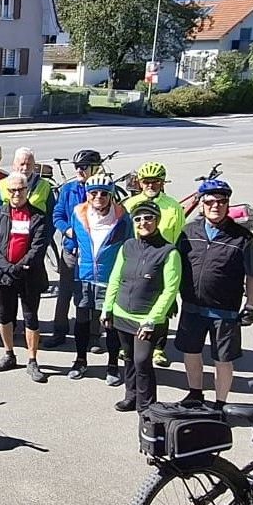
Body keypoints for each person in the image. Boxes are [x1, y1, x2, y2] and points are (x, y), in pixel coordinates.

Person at [175, 180, 253, 408]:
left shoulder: (242, 237)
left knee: (222, 360)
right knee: (191, 352)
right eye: (210, 202)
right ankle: (195, 393)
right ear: (202, 204)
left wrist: (251, 306)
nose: (216, 206)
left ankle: (220, 404)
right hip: (192, 306)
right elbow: (175, 267)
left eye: (222, 202)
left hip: (225, 311)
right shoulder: (188, 232)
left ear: (228, 204)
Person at [102, 200, 182, 412]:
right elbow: (115, 278)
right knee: (128, 358)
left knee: (142, 361)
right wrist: (107, 308)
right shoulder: (128, 246)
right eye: (138, 219)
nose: (143, 222)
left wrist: (152, 320)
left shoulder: (169, 252)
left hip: (147, 319)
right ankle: (131, 396)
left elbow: (170, 290)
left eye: (148, 218)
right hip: (122, 313)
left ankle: (147, 406)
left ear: (157, 220)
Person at [0, 171, 53, 382]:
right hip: (3, 275)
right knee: (5, 316)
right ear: (7, 191)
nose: (16, 194)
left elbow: (38, 247)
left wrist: (19, 267)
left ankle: (32, 360)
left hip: (29, 275)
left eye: (20, 190)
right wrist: (6, 267)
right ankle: (9, 354)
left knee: (31, 317)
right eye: (12, 190)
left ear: (27, 190)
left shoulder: (38, 216)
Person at [123, 161, 188, 368]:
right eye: (146, 181)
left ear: (162, 183)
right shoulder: (129, 204)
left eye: (156, 181)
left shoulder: (173, 206)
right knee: (134, 300)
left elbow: (179, 238)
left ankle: (159, 347)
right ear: (140, 183)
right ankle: (130, 343)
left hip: (162, 259)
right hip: (135, 258)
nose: (151, 185)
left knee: (163, 303)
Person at [67, 173, 130, 380]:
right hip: (84, 276)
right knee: (82, 321)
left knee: (110, 323)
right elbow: (74, 238)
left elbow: (129, 245)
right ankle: (80, 360)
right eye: (94, 193)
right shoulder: (78, 213)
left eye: (104, 194)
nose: (98, 197)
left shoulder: (122, 217)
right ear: (87, 194)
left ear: (111, 195)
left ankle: (112, 365)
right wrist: (69, 246)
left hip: (109, 277)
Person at [49, 148, 103, 348]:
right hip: (71, 251)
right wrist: (67, 230)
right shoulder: (68, 189)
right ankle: (59, 331)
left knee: (93, 293)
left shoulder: (102, 191)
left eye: (84, 167)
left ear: (95, 168)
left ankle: (94, 335)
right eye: (77, 166)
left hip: (93, 253)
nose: (79, 170)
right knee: (65, 293)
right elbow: (57, 215)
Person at [0, 147, 55, 213]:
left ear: (33, 165)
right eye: (22, 164)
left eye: (28, 164)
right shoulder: (3, 184)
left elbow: (52, 212)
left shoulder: (45, 186)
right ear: (14, 165)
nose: (25, 168)